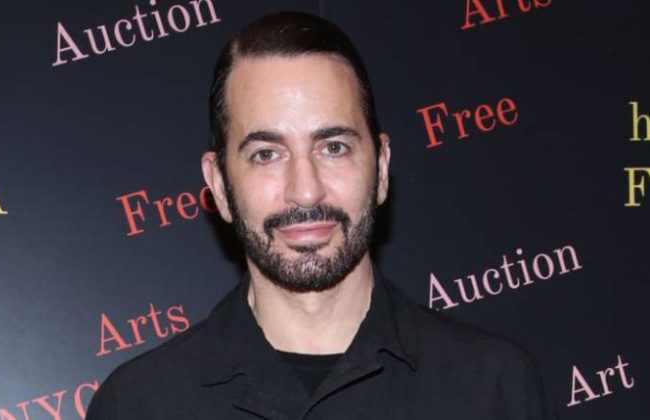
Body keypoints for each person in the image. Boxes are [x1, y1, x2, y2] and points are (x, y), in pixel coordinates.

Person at [86, 11, 556, 419]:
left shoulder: (496, 388)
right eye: (267, 154)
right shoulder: (139, 405)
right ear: (219, 185)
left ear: (382, 168)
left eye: (333, 147)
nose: (306, 189)